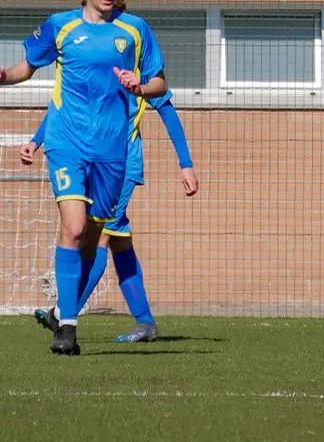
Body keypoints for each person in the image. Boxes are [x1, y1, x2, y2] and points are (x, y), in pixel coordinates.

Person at [0, 0, 168, 355]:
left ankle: (60, 313)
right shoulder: (60, 26)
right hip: (68, 144)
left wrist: (140, 84)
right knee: (72, 226)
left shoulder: (135, 30)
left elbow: (161, 84)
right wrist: (4, 76)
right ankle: (67, 328)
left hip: (112, 152)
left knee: (91, 237)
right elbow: (28, 67)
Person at [24, 55, 198, 343]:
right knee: (118, 240)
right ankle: (145, 322)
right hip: (93, 162)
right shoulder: (90, 66)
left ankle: (64, 314)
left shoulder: (138, 73)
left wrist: (186, 163)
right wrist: (35, 140)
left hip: (122, 168)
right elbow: (62, 109)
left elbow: (167, 111)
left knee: (101, 237)